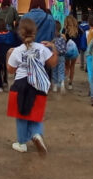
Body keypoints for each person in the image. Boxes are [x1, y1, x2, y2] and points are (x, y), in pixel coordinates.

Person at [6, 17, 58, 154]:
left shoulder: (17, 51)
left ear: (20, 33)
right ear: (35, 33)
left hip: (21, 84)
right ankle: (37, 134)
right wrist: (53, 48)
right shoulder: (42, 48)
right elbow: (52, 63)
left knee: (21, 115)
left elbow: (10, 70)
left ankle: (22, 143)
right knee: (36, 113)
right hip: (38, 84)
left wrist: (9, 55)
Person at [0, 17, 17, 92]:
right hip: (8, 56)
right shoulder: (10, 34)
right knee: (8, 69)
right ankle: (6, 82)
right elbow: (14, 43)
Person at [63, 15, 80, 90]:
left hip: (67, 51)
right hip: (75, 52)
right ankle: (70, 83)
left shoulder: (65, 30)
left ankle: (64, 80)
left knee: (66, 66)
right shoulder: (78, 30)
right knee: (72, 66)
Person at [51, 20, 67, 93]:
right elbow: (65, 48)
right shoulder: (63, 37)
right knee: (61, 70)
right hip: (62, 56)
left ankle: (55, 86)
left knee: (54, 70)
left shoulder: (52, 39)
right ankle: (62, 83)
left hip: (54, 56)